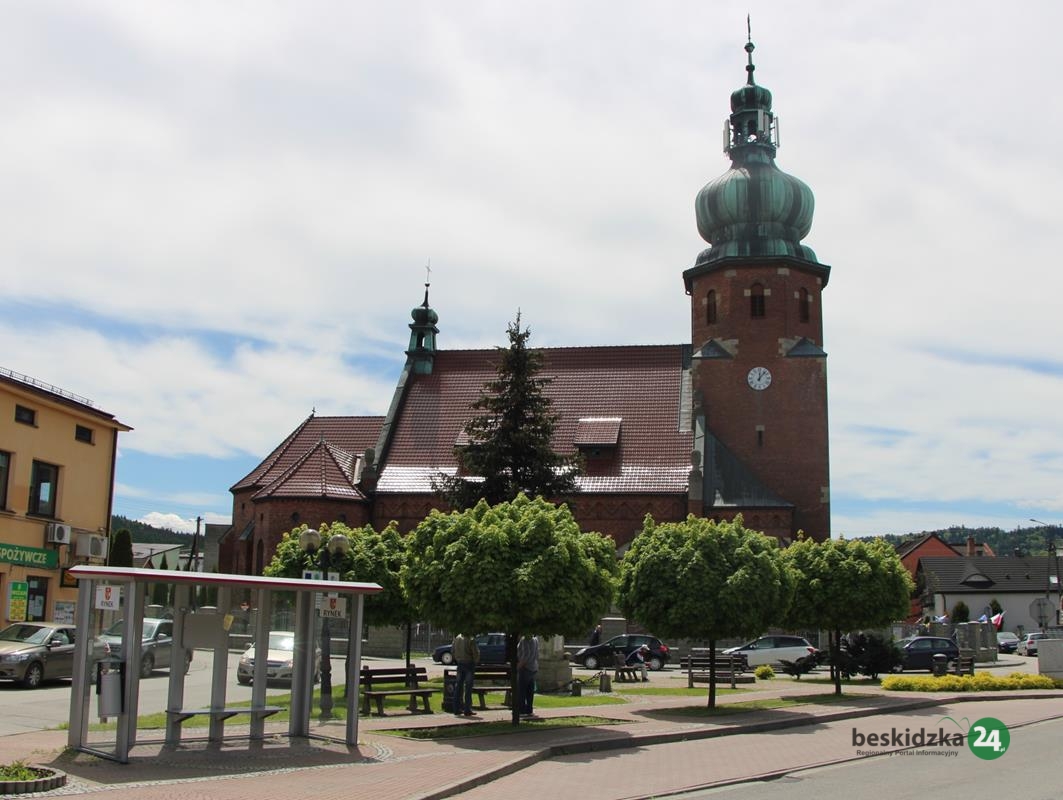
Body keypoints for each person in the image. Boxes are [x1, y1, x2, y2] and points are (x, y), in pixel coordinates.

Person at [451, 632, 480, 717]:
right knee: (468, 687)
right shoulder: (470, 639)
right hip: (469, 664)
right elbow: (475, 652)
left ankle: (456, 709)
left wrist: (457, 659)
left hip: (460, 663)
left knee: (458, 686)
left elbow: (452, 651)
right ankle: (467, 709)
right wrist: (476, 660)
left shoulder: (457, 638)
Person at [516, 634, 539, 717]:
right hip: (533, 667)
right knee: (530, 691)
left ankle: (521, 710)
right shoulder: (535, 639)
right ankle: (529, 710)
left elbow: (526, 655)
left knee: (521, 690)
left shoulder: (525, 639)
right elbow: (536, 654)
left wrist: (519, 665)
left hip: (526, 667)